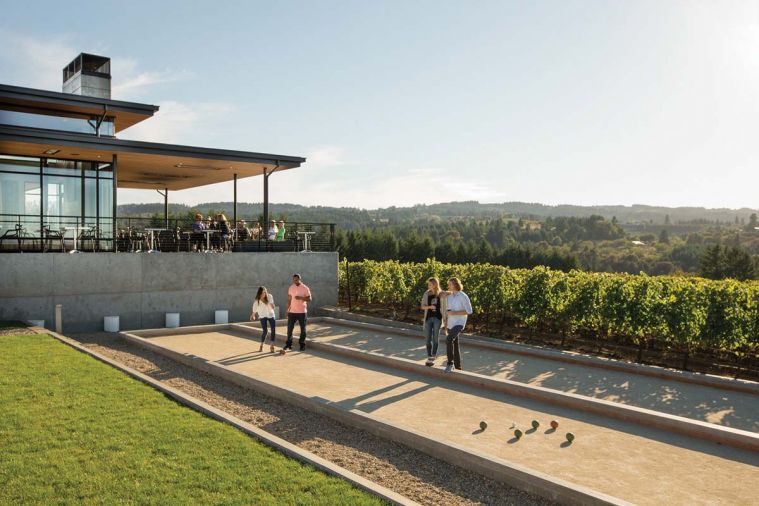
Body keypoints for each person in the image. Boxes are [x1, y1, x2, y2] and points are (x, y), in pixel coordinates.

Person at [444, 277, 472, 373]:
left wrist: (455, 313)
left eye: (450, 284)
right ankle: (458, 368)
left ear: (456, 284)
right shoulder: (449, 297)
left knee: (449, 339)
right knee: (455, 344)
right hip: (451, 324)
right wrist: (446, 324)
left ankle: (449, 364)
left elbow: (469, 311)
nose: (448, 286)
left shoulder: (463, 296)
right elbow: (448, 312)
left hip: (460, 323)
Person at [420, 277, 447, 367]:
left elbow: (450, 293)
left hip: (438, 319)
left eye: (430, 284)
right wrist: (430, 307)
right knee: (428, 339)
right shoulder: (426, 293)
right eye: (428, 284)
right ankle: (429, 355)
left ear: (435, 285)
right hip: (428, 319)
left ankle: (433, 356)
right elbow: (422, 307)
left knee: (436, 338)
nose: (429, 286)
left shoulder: (441, 294)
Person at [285, 273, 312, 352]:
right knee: (289, 329)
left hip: (302, 312)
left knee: (303, 329)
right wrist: (287, 310)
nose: (295, 281)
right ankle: (288, 344)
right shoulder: (291, 287)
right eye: (293, 280)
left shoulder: (305, 288)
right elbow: (289, 300)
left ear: (299, 279)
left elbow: (310, 299)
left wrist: (301, 298)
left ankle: (302, 345)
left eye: (296, 280)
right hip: (292, 312)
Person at [250, 286, 277, 353]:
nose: (264, 294)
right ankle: (261, 345)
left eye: (265, 292)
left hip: (270, 314)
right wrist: (253, 315)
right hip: (262, 316)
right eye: (262, 293)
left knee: (273, 329)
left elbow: (273, 307)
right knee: (265, 331)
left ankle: (272, 346)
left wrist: (268, 303)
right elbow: (254, 308)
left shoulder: (269, 296)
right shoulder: (257, 300)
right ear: (259, 293)